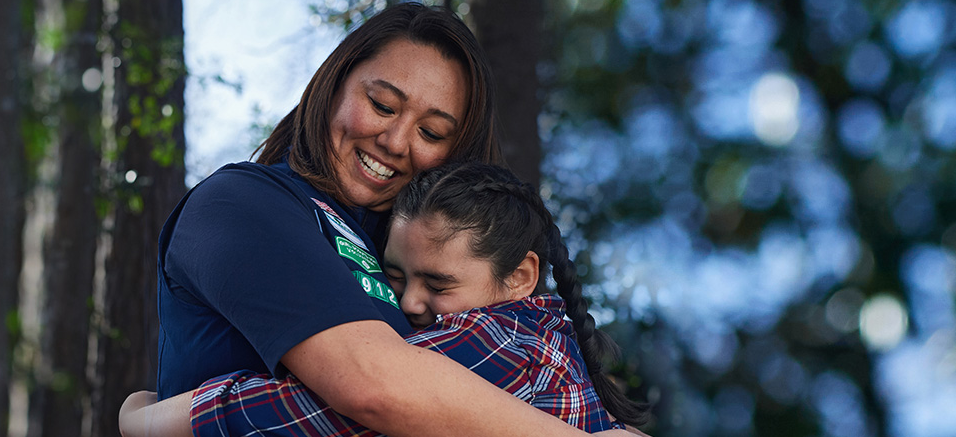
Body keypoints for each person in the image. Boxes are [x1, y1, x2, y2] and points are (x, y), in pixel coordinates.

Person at [138, 2, 628, 437]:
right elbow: (372, 387)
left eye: (432, 132)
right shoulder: (240, 205)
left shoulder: (432, 259)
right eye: (381, 105)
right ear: (333, 87)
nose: (395, 142)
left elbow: (407, 391)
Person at [121, 163, 651, 436]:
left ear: (519, 278)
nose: (413, 303)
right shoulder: (546, 346)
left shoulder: (505, 345)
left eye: (439, 285)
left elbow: (313, 416)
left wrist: (141, 419)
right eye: (395, 279)